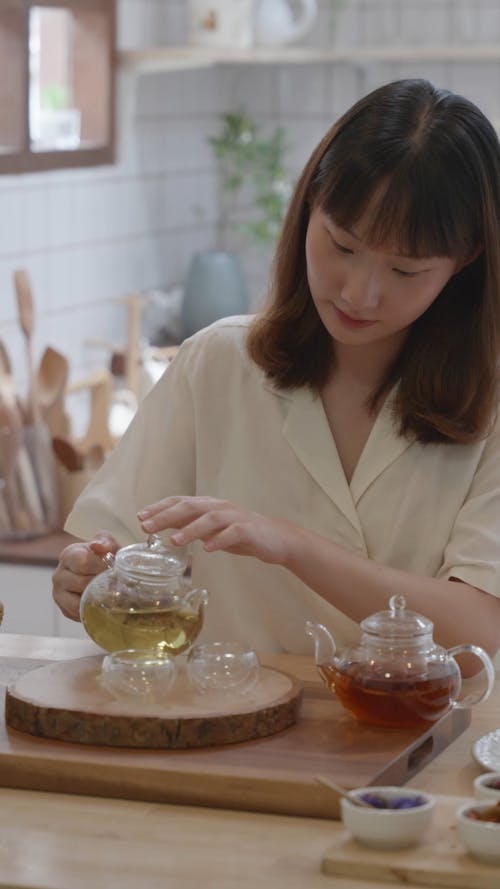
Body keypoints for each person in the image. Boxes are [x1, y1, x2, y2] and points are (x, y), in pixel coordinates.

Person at [53, 78, 500, 667]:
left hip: (430, 747)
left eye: (406, 270)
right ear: (310, 204)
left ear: (464, 261)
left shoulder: (490, 399)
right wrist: (81, 576)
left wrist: (292, 545)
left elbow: (480, 633)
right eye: (341, 245)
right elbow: (105, 553)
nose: (360, 293)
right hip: (237, 741)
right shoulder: (217, 363)